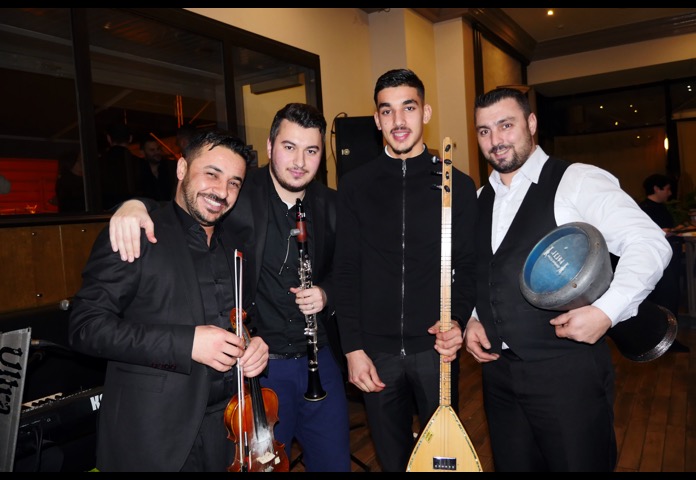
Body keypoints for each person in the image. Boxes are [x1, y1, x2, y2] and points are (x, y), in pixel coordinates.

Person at [105, 103, 351, 472]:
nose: (300, 161)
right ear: (270, 146)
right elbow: (187, 204)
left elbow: (347, 272)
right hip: (261, 365)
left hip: (320, 355)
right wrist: (134, 204)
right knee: (264, 465)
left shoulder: (332, 204)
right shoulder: (237, 191)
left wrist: (326, 292)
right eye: (289, 147)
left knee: (334, 463)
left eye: (311, 150)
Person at [463, 87, 673, 472]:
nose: (495, 140)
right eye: (484, 131)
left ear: (531, 123)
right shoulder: (479, 198)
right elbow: (483, 270)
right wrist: (474, 318)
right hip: (498, 376)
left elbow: (648, 243)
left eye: (506, 125)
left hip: (566, 373)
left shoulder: (575, 180)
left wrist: (606, 312)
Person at [67, 129, 270, 472]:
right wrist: (187, 343)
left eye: (234, 183)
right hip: (155, 437)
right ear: (181, 169)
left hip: (229, 431)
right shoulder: (137, 231)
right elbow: (85, 327)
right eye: (212, 174)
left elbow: (244, 318)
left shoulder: (236, 245)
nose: (222, 192)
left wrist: (256, 345)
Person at [333, 68, 478, 472]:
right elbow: (345, 270)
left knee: (440, 463)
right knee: (392, 460)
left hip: (435, 348)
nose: (398, 121)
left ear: (425, 112)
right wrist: (352, 348)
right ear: (377, 119)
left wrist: (458, 320)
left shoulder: (456, 184)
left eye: (408, 108)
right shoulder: (355, 186)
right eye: (387, 111)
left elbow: (468, 266)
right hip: (375, 354)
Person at [639, 173, 690, 353]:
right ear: (656, 189)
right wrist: (664, 232)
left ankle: (665, 340)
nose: (669, 193)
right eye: (667, 189)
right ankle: (665, 342)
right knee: (665, 300)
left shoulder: (659, 207)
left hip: (666, 260)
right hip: (658, 262)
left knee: (669, 299)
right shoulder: (645, 209)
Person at [100, 123, 143, 210]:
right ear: (130, 138)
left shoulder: (98, 163)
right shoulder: (140, 163)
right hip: (134, 210)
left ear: (109, 138)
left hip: (106, 212)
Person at [140, 136, 177, 201]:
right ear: (143, 152)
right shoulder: (139, 171)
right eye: (152, 150)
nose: (157, 152)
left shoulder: (170, 167)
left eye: (158, 149)